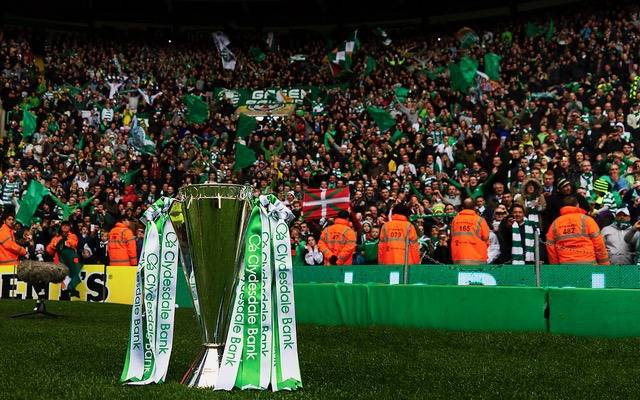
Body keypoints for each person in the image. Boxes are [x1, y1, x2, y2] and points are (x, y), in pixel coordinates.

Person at [546, 196, 610, 265]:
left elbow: (550, 247)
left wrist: (555, 267)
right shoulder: (587, 220)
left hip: (565, 267)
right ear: (578, 205)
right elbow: (599, 244)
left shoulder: (555, 223)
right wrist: (605, 265)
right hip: (588, 265)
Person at [46, 220, 82, 297]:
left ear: (69, 227)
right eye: (63, 225)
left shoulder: (72, 236)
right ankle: (64, 295)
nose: (65, 227)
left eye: (67, 225)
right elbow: (49, 250)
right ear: (61, 227)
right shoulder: (56, 237)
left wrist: (64, 243)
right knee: (62, 280)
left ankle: (68, 294)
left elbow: (73, 243)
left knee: (67, 279)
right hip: (59, 262)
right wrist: (53, 245)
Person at [450, 198, 490, 264]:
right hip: (478, 258)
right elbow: (486, 237)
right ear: (474, 207)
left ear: (462, 207)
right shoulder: (480, 220)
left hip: (459, 258)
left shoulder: (455, 220)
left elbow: (452, 236)